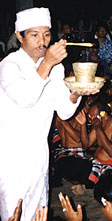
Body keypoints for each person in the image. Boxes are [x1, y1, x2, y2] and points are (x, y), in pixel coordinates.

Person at [0, 7, 97, 220]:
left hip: (39, 154)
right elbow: (25, 99)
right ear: (20, 36)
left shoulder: (55, 67)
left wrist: (76, 93)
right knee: (12, 211)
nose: (42, 41)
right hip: (10, 155)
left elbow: (64, 110)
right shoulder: (9, 65)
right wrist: (47, 63)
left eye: (46, 34)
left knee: (38, 211)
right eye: (34, 35)